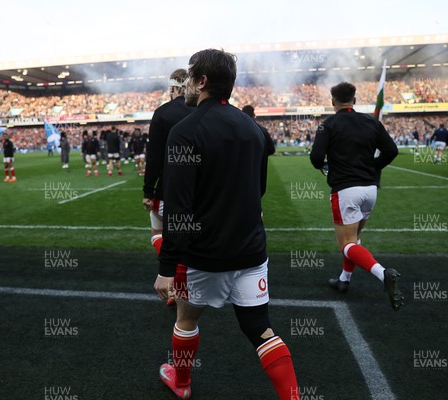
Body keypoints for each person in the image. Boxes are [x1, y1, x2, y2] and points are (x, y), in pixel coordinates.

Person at [154, 49, 300, 400]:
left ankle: (183, 382)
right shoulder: (252, 128)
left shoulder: (185, 131)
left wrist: (166, 267)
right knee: (259, 328)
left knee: (186, 320)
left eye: (189, 77)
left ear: (202, 81)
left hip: (204, 255)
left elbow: (178, 208)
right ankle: (293, 397)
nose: (186, 84)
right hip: (251, 249)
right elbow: (259, 189)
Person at [309, 81, 402, 311]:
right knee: (355, 238)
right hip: (370, 189)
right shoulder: (371, 122)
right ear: (355, 100)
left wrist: (327, 166)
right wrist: (374, 167)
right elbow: (392, 150)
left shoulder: (328, 124)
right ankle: (344, 280)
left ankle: (383, 274)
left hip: (346, 189)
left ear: (332, 102)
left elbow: (315, 158)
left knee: (346, 244)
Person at [143, 69, 194, 256]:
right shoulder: (203, 111)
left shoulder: (162, 113)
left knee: (158, 231)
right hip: (200, 191)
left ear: (173, 87)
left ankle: (172, 275)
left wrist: (148, 191)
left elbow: (154, 157)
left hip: (169, 189)